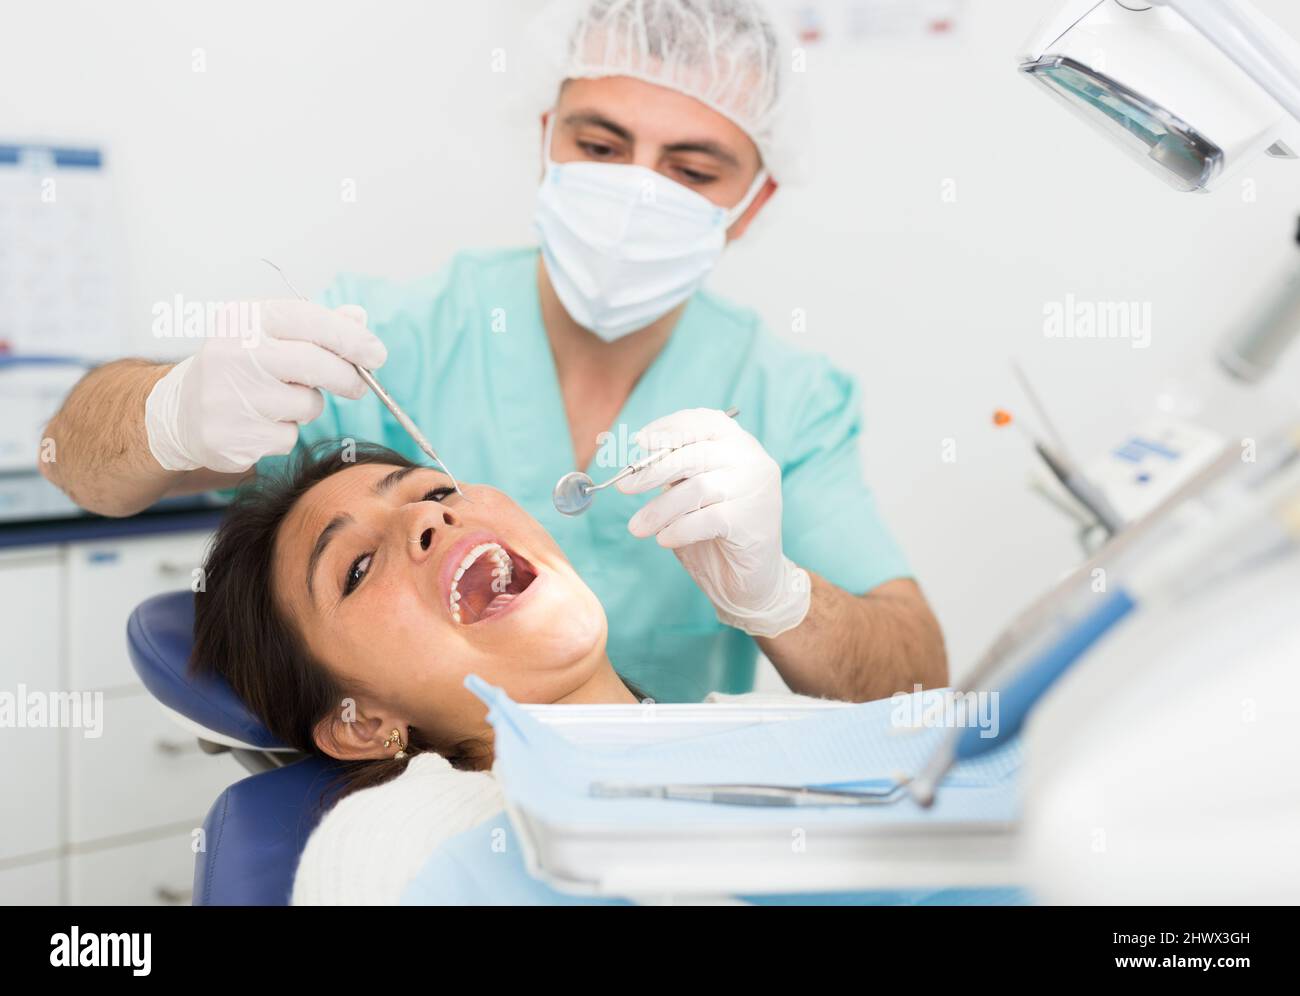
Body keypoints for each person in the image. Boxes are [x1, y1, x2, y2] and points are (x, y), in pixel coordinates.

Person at [40, 0, 946, 702]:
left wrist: (779, 598)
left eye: (692, 169)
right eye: (600, 143)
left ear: (751, 202)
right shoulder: (402, 338)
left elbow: (917, 681)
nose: (636, 191)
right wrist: (172, 414)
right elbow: (72, 462)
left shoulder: (786, 398)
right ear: (544, 141)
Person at [191, 440, 839, 903]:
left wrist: (784, 599)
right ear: (364, 725)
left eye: (440, 492)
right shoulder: (395, 847)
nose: (428, 516)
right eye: (356, 568)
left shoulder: (805, 736)